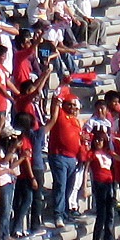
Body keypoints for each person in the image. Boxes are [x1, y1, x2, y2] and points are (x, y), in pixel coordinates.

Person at [46, 94, 82, 228]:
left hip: (72, 158)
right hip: (59, 155)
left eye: (74, 105)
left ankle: (65, 212)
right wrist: (63, 87)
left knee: (69, 187)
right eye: (69, 104)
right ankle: (58, 215)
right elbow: (54, 103)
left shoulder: (76, 120)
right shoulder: (59, 114)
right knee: (61, 185)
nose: (72, 107)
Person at [86, 129, 120, 240]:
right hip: (99, 183)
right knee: (101, 213)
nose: (98, 142)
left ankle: (109, 239)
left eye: (101, 140)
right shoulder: (92, 154)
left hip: (109, 183)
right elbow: (85, 170)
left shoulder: (108, 153)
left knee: (110, 213)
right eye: (96, 140)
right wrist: (84, 187)